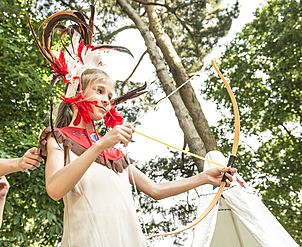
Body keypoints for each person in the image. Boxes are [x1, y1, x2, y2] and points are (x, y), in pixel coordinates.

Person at [30, 6, 235, 247]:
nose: (108, 99)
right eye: (99, 91)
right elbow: (54, 189)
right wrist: (101, 145)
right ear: (76, 91)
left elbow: (155, 189)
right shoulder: (59, 138)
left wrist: (203, 177)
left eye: (110, 94)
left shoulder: (113, 153)